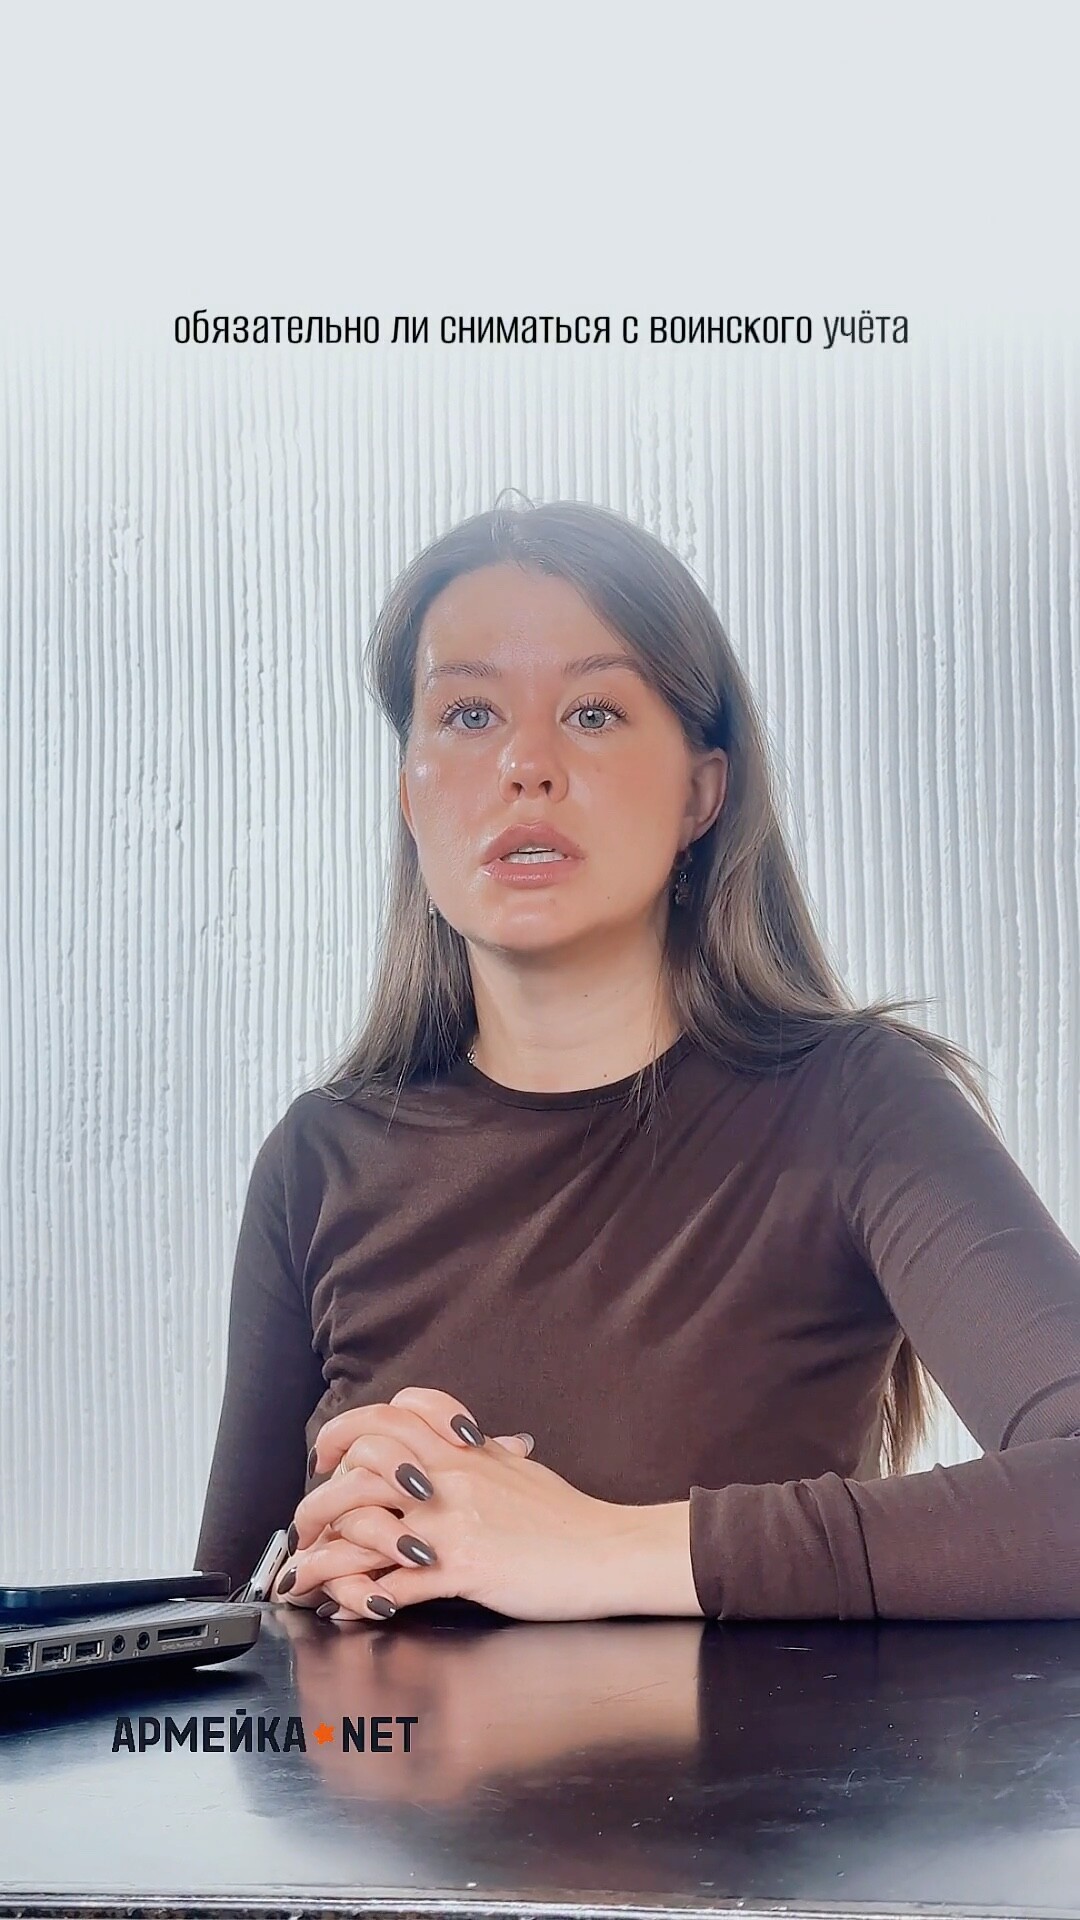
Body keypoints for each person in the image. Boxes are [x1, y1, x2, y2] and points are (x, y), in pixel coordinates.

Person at [193, 496, 1080, 1626]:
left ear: (703, 792)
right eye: (468, 714)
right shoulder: (318, 1161)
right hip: (384, 1757)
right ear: (410, 788)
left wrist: (583, 1547)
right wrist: (315, 1584)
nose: (526, 763)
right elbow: (218, 1645)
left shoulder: (858, 1103)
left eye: (594, 712)